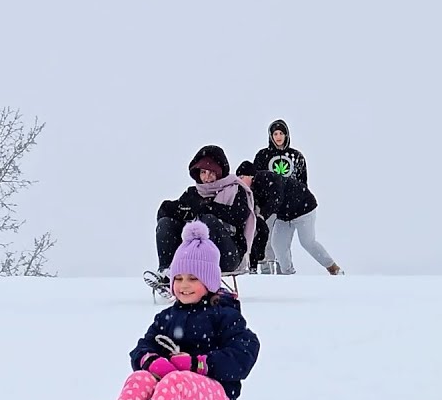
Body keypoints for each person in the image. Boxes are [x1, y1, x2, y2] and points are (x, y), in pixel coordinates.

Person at [84, 220, 261, 400]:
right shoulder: (167, 317)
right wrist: (152, 361)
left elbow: (243, 355)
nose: (183, 285)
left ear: (209, 282)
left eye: (192, 279)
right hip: (172, 399)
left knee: (176, 381)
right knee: (141, 377)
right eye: (178, 279)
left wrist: (197, 363)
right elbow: (142, 348)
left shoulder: (225, 316)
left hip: (216, 397)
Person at [144, 145, 256, 296]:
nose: (207, 177)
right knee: (166, 223)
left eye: (211, 172)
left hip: (227, 253)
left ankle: (192, 271)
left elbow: (239, 216)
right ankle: (168, 272)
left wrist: (209, 207)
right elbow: (169, 211)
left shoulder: (235, 190)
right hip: (193, 256)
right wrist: (179, 210)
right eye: (203, 172)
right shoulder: (194, 194)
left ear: (220, 173)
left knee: (207, 221)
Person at [235, 161, 342, 275]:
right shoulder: (250, 191)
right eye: (238, 178)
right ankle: (288, 274)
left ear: (251, 175)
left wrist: (262, 216)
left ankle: (333, 268)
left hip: (304, 209)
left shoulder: (267, 177)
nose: (239, 181)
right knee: (277, 244)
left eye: (241, 177)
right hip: (285, 216)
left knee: (307, 242)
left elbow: (276, 198)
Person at [253, 118, 308, 185]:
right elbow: (256, 180)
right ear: (271, 136)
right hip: (269, 194)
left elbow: (302, 183)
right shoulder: (262, 155)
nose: (278, 137)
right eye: (275, 134)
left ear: (286, 135)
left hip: (291, 194)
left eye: (281, 133)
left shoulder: (297, 157)